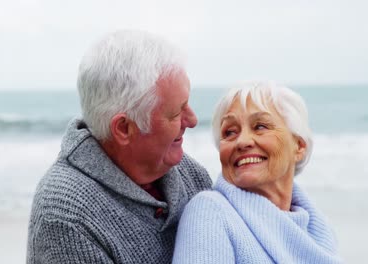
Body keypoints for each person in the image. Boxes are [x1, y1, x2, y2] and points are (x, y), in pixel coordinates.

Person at [26, 30, 213, 264]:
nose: (193, 120)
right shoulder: (67, 217)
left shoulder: (190, 175)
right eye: (176, 112)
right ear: (124, 128)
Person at [172, 82, 342, 263]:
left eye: (260, 127)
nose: (242, 141)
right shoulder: (210, 212)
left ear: (299, 147)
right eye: (230, 132)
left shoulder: (320, 234)